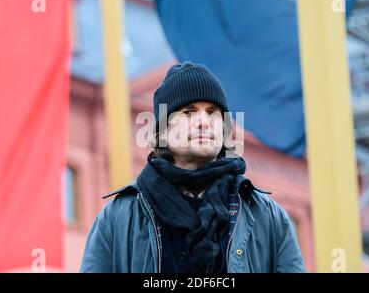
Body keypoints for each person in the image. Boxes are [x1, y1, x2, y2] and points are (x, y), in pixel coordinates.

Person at [80, 62, 305, 273]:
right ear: (163, 132)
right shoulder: (117, 219)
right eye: (188, 112)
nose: (203, 122)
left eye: (212, 113)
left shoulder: (269, 218)